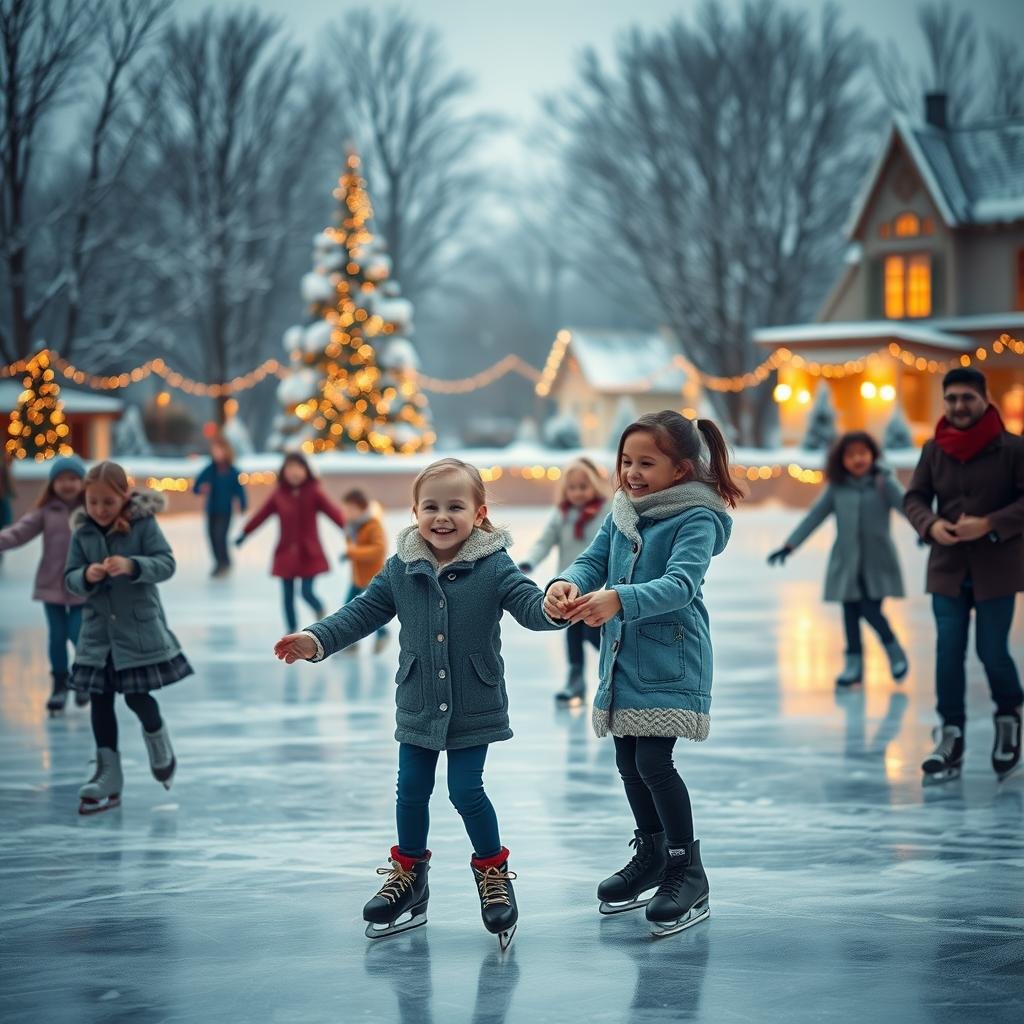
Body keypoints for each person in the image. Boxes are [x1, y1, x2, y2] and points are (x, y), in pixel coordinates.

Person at [273, 458, 566, 950]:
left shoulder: (494, 566)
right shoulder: (401, 569)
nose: (442, 517)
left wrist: (554, 607)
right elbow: (361, 612)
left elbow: (529, 605)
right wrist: (315, 638)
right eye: (431, 507)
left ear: (480, 512)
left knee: (465, 790)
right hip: (418, 702)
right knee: (410, 789)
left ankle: (494, 877)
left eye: (456, 506)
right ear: (414, 512)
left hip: (474, 703)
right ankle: (410, 878)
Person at [544, 411, 741, 938]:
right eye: (626, 461)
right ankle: (652, 853)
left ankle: (686, 868)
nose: (631, 473)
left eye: (646, 463)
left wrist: (618, 599)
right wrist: (564, 584)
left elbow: (681, 584)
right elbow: (592, 559)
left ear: (679, 469)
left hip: (669, 658)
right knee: (629, 758)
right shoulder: (625, 509)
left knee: (654, 758)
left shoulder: (696, 516)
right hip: (623, 654)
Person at [904, 367, 1024, 784]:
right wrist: (930, 525)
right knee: (948, 651)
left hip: (997, 569)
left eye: (967, 398)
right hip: (947, 568)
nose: (959, 406)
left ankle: (1009, 717)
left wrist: (990, 522)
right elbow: (915, 497)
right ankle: (950, 734)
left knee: (993, 651)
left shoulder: (1012, 448)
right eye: (951, 398)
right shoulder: (934, 448)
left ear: (984, 398)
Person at [65, 461, 192, 814]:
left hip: (136, 632)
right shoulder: (82, 533)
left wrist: (134, 565)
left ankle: (159, 744)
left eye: (108, 501)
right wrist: (86, 576)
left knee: (138, 697)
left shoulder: (143, 524)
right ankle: (108, 773)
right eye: (93, 502)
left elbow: (166, 563)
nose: (100, 510)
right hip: (97, 635)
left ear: (124, 496)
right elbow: (69, 579)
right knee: (100, 699)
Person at [766, 431, 909, 687]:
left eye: (862, 453)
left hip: (877, 563)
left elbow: (908, 507)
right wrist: (789, 546)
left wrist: (926, 530)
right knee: (850, 613)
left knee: (870, 609)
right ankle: (854, 668)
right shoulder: (838, 487)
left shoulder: (883, 482)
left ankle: (894, 650)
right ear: (841, 459)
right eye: (851, 455)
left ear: (873, 455)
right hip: (847, 563)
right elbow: (814, 517)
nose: (858, 459)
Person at [0, 454, 88, 714]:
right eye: (61, 479)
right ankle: (59, 685)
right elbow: (19, 532)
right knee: (57, 636)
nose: (68, 484)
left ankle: (83, 679)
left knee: (78, 634)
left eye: (73, 479)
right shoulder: (46, 511)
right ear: (52, 484)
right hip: (52, 584)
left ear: (82, 482)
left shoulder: (91, 510)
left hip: (83, 585)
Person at [518, 457, 610, 704]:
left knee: (593, 634)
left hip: (598, 589)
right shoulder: (562, 514)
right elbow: (544, 541)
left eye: (583, 487)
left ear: (594, 486)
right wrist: (529, 561)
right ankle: (575, 680)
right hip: (568, 588)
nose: (577, 493)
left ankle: (616, 669)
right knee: (571, 632)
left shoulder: (606, 512)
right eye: (572, 488)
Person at [236, 453, 345, 632]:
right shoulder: (279, 494)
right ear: (284, 472)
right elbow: (261, 515)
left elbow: (333, 513)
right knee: (287, 594)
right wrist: (245, 533)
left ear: (306, 470)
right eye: (290, 468)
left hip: (308, 552)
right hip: (286, 552)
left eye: (298, 468)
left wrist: (350, 529)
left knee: (306, 591)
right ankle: (291, 628)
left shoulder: (314, 491)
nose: (294, 473)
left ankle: (319, 608)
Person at [338, 487, 390, 655]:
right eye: (345, 509)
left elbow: (378, 550)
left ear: (361, 508)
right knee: (350, 608)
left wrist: (352, 553)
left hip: (373, 576)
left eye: (350, 509)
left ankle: (382, 634)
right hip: (359, 576)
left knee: (367, 610)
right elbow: (355, 547)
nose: (346, 512)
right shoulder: (352, 526)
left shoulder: (373, 525)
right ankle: (352, 643)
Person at [193, 436, 247, 577]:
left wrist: (242, 505)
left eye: (219, 450)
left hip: (225, 510)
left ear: (226, 451)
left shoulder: (233, 471)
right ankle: (219, 562)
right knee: (211, 537)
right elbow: (196, 486)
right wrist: (201, 489)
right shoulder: (210, 470)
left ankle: (224, 563)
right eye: (214, 451)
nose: (216, 453)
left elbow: (239, 490)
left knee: (220, 536)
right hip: (211, 510)